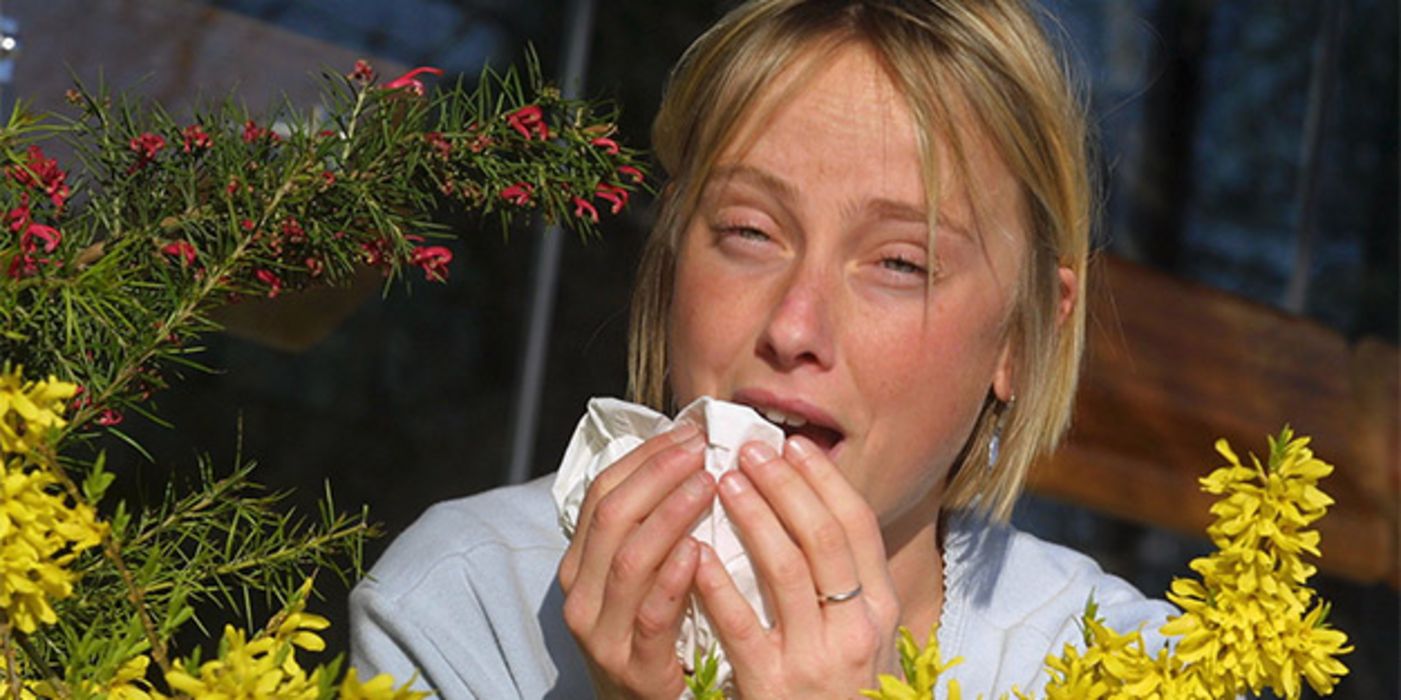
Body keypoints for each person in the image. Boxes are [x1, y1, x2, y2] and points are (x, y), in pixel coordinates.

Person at [349, 1, 1175, 697]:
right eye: (748, 232)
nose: (793, 327)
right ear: (672, 251)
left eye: (898, 263)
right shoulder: (467, 602)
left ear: (1025, 336)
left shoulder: (1142, 671)